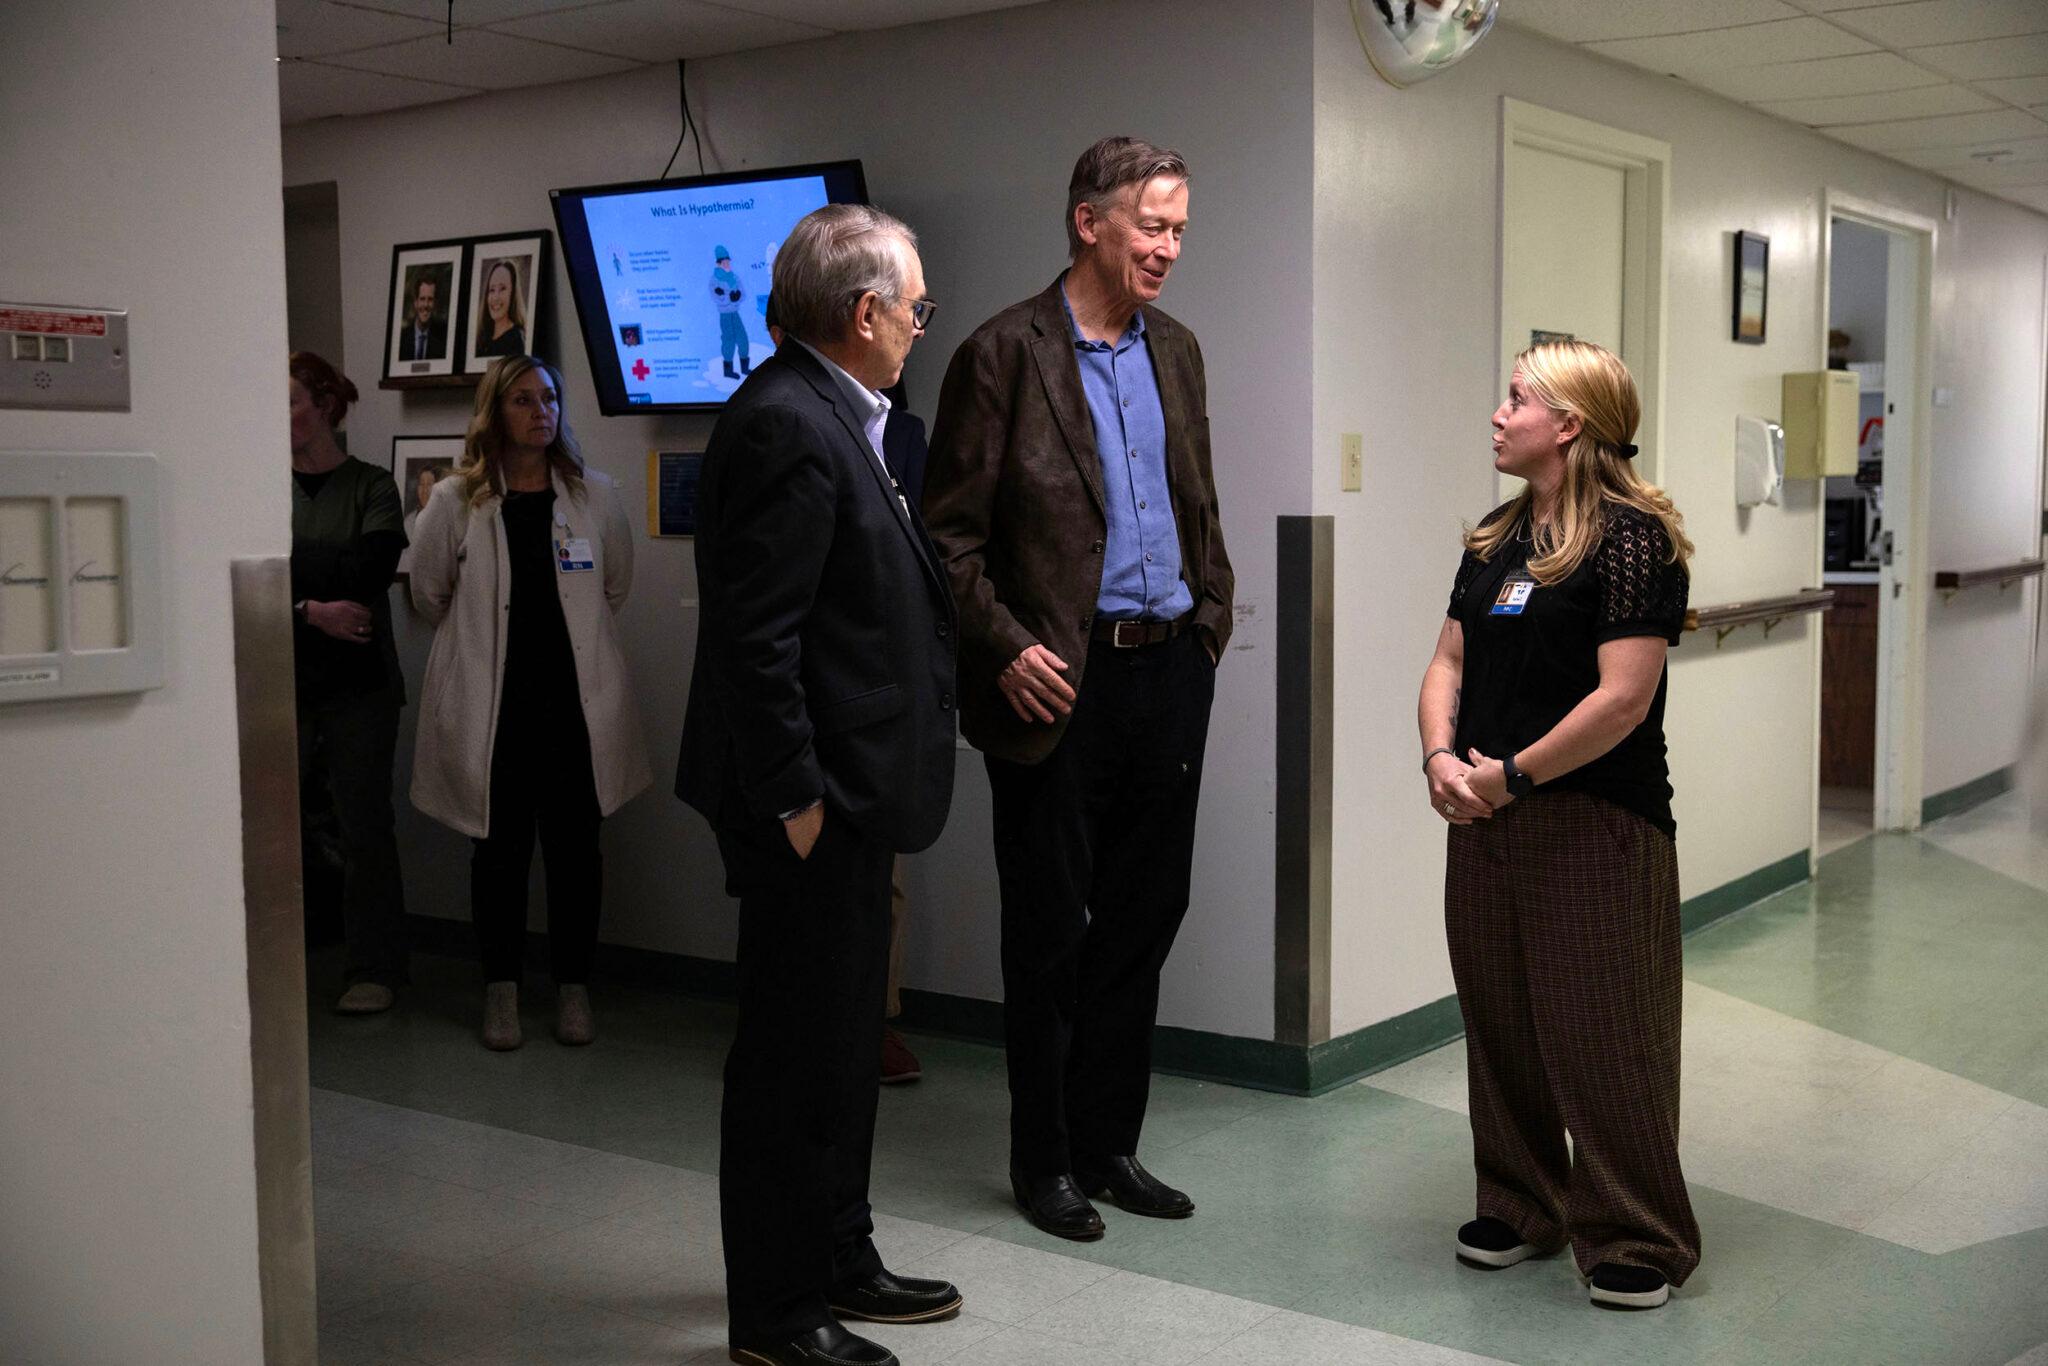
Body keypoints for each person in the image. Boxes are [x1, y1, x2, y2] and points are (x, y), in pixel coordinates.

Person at [924, 136, 1234, 1242]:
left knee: (1145, 918)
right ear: (1087, 221)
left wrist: (1209, 617)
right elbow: (944, 539)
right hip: (1054, 682)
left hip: (1167, 672)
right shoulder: (1000, 352)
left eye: (1179, 229)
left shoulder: (1179, 351)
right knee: (1052, 930)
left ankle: (1109, 1145)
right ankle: (1042, 1158)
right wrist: (1004, 647)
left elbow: (1200, 505)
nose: (1167, 247)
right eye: (1151, 224)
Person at [676, 203, 961, 1366]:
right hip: (808, 805)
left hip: (853, 792)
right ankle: (778, 1314)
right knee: (794, 1063)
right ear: (864, 312)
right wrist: (796, 800)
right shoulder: (786, 423)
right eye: (914, 308)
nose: (917, 327)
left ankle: (839, 1253)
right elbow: (758, 640)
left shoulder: (853, 416)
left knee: (844, 1051)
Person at [1417, 338, 1700, 1310]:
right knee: (1499, 1020)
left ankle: (1634, 1230)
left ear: (1568, 424)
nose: (1497, 414)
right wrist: (1441, 760)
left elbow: (1622, 699)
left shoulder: (1631, 539)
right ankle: (1520, 1198)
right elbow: (1446, 662)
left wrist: (1512, 777)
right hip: (1484, 813)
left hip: (1594, 820)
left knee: (1601, 1030)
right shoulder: (1495, 537)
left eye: (1514, 399)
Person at [409, 355, 650, 1050]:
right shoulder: (457, 502)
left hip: (576, 708)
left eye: (549, 398)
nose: (539, 411)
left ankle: (573, 987)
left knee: (578, 852)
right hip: (496, 710)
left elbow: (615, 588)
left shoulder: (593, 496)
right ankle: (502, 990)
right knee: (500, 853)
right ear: (494, 412)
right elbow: (429, 595)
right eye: (522, 399)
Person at [288, 351, 410, 1014]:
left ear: (326, 405)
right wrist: (309, 608)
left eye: (290, 403)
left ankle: (376, 965)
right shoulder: (257, 484)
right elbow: (249, 579)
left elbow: (368, 573)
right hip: (281, 677)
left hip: (361, 684)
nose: (280, 418)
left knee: (364, 823)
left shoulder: (373, 485)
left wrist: (297, 579)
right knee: (276, 824)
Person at [711, 246, 752, 379]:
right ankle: (728, 370)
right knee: (728, 341)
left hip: (735, 313)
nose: (727, 264)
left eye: (728, 262)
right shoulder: (715, 279)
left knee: (743, 339)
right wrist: (729, 297)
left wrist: (736, 297)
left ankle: (744, 368)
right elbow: (717, 298)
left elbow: (743, 294)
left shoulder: (734, 277)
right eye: (724, 262)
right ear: (718, 264)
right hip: (725, 316)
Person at [473, 258, 527, 358]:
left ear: (512, 293)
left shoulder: (516, 340)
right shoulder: (481, 340)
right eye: (492, 290)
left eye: (502, 289)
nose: (495, 297)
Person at [399, 275, 448, 361]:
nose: (426, 305)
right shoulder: (401, 339)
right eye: (422, 299)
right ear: (416, 302)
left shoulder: (444, 338)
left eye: (430, 299)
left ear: (435, 304)